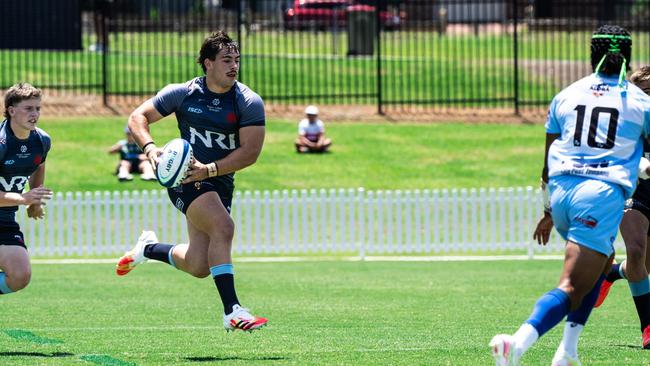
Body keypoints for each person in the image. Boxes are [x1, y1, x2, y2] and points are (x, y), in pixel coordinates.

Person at [490, 25, 650, 366]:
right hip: (600, 195)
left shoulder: (565, 95)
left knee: (603, 261)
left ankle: (568, 351)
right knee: (571, 285)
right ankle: (516, 343)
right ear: (627, 56)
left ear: (593, 55)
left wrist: (548, 213)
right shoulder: (639, 101)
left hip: (562, 195)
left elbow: (547, 164)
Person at [115, 30, 268, 332]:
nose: (234, 66)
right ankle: (232, 311)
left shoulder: (248, 101)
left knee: (199, 265)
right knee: (224, 227)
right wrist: (150, 150)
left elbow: (250, 153)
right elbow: (137, 118)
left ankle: (148, 249)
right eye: (226, 60)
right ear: (207, 63)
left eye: (237, 59)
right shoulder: (183, 93)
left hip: (217, 179)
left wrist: (210, 169)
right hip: (184, 177)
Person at [591, 65, 650, 349]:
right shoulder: (621, 121)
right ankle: (648, 327)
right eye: (642, 92)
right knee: (637, 250)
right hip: (633, 191)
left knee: (644, 266)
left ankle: (613, 273)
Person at [0, 83, 53, 297]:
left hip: (5, 220)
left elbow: (38, 165)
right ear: (12, 110)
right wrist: (23, 198)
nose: (35, 114)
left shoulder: (41, 140)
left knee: (20, 276)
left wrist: (35, 201)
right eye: (28, 108)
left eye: (38, 108)